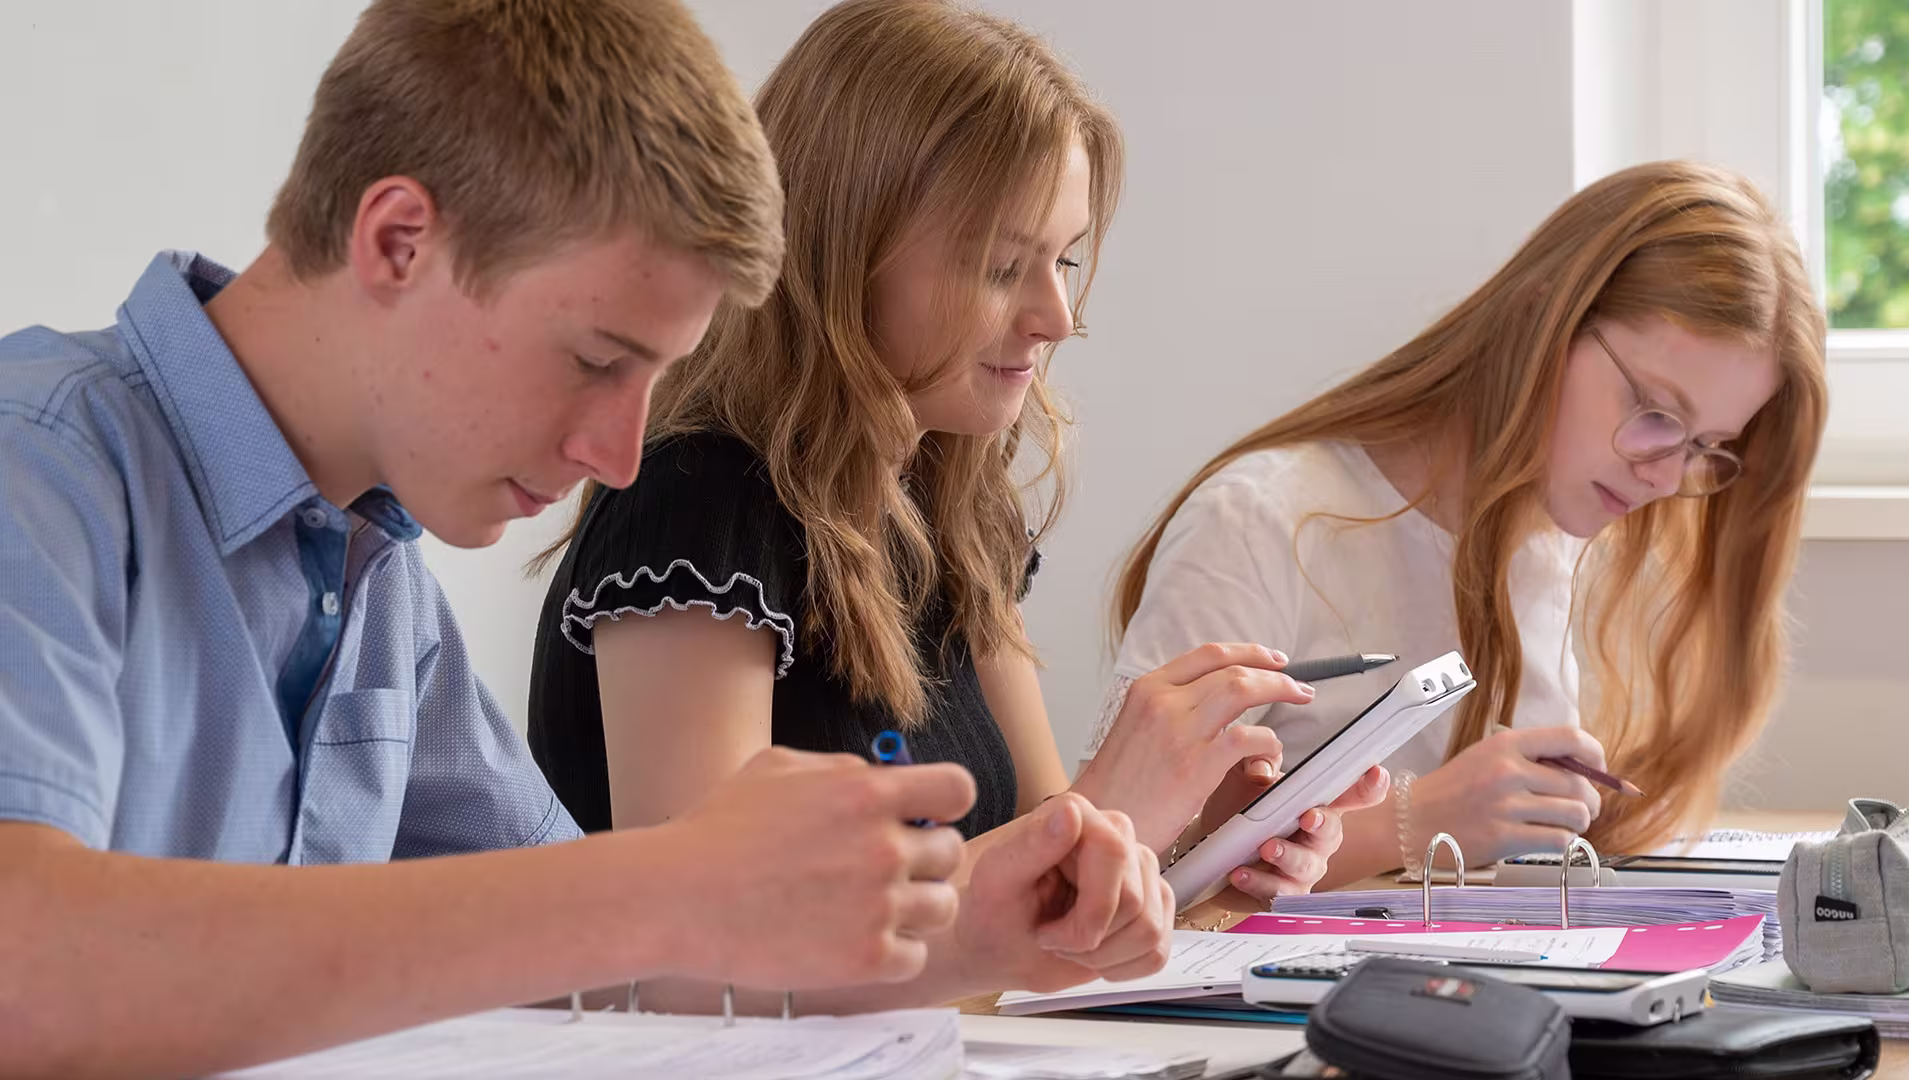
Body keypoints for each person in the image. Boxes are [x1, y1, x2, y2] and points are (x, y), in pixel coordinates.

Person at [0, 2, 1171, 1075]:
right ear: (400, 240)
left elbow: (626, 964)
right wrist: (665, 881)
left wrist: (981, 931)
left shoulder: (377, 573)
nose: (618, 458)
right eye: (599, 361)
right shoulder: (39, 466)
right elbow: (27, 965)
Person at [525, 0, 1386, 919]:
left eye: (1064, 261)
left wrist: (1204, 833)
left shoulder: (953, 505)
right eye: (1002, 265)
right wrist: (1107, 808)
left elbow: (1042, 874)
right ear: (844, 251)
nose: (1055, 317)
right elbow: (710, 935)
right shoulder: (697, 505)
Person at [1106, 161, 1827, 892]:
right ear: (1542, 322)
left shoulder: (1565, 547)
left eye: (1706, 447)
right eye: (1656, 414)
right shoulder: (1262, 521)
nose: (1667, 478)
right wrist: (1418, 818)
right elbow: (1117, 866)